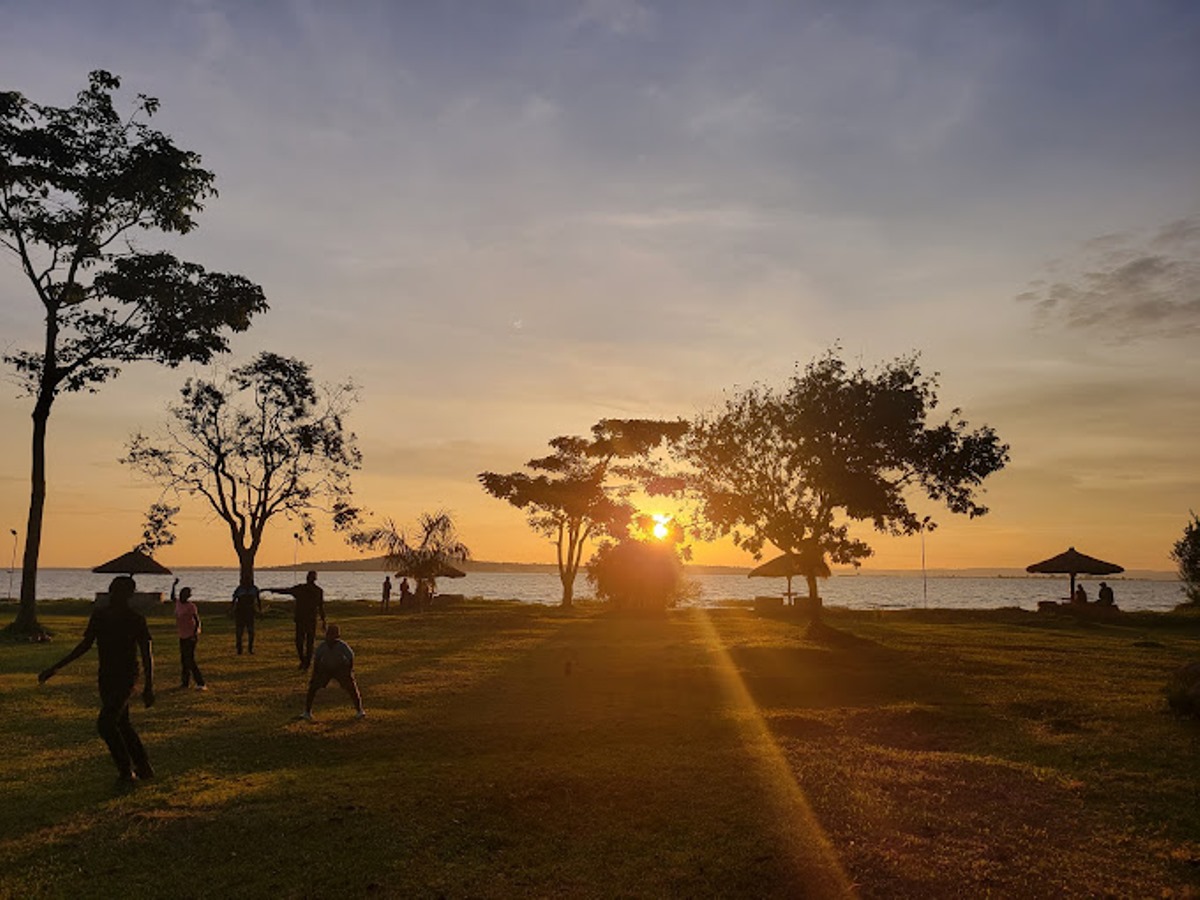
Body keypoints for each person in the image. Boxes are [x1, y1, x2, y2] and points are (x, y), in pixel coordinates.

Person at [38, 576, 156, 786]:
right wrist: (55, 667)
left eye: (119, 592)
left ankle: (126, 772)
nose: (114, 595)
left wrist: (148, 686)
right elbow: (85, 645)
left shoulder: (135, 619)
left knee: (106, 724)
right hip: (106, 676)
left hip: (126, 676)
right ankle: (143, 767)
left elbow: (147, 653)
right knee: (122, 722)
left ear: (128, 595)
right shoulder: (100, 616)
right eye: (113, 591)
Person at [264, 570, 326, 670]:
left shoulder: (304, 589)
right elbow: (285, 591)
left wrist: (271, 589)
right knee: (306, 642)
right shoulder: (314, 590)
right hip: (305, 619)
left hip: (304, 619)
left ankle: (305, 661)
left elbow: (285, 591)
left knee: (302, 641)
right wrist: (323, 620)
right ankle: (305, 661)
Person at [301, 623, 364, 721]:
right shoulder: (322, 646)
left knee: (352, 687)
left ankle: (360, 710)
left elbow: (350, 657)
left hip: (340, 668)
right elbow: (317, 661)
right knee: (313, 688)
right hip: (325, 669)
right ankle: (307, 712)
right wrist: (315, 674)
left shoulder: (342, 645)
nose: (330, 638)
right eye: (328, 635)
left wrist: (348, 671)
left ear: (337, 636)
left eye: (333, 635)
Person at [171, 578, 207, 690]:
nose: (182, 596)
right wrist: (174, 585)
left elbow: (197, 620)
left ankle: (200, 683)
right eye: (181, 594)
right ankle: (185, 683)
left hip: (190, 635)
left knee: (190, 660)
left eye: (185, 594)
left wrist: (195, 633)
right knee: (184, 660)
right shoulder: (178, 603)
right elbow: (172, 596)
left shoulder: (191, 606)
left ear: (188, 596)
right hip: (182, 635)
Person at [231, 578, 262, 655]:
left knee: (250, 631)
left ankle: (250, 648)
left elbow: (258, 600)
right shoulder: (239, 589)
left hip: (249, 612)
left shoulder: (254, 589)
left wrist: (259, 609)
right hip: (241, 612)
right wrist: (232, 608)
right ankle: (239, 649)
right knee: (240, 631)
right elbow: (234, 599)